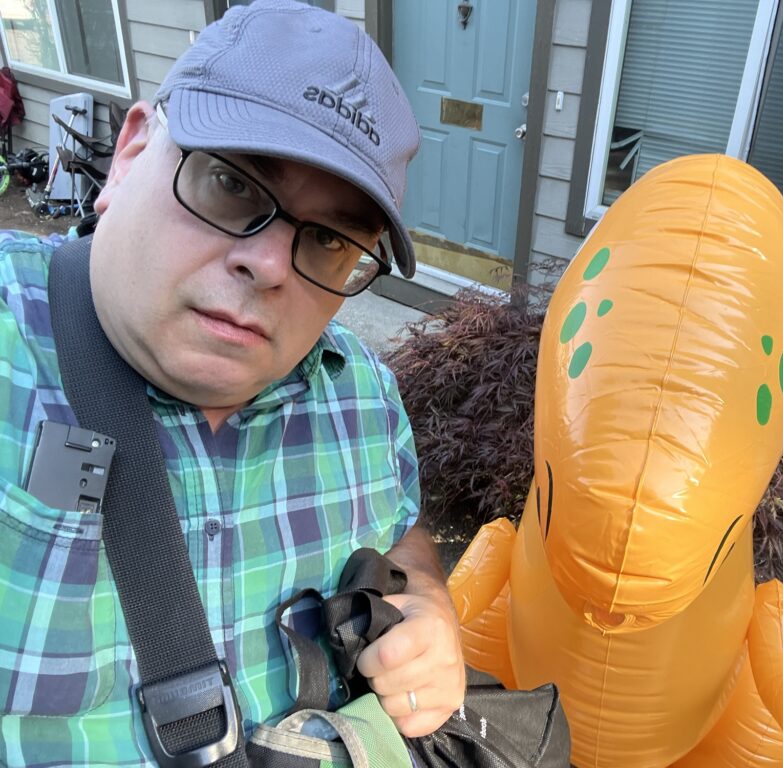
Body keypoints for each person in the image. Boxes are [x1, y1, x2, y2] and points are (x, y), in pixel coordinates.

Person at [0, 1, 465, 765]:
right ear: (131, 151)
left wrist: (430, 600)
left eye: (328, 238)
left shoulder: (363, 394)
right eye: (232, 183)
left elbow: (403, 527)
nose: (273, 265)